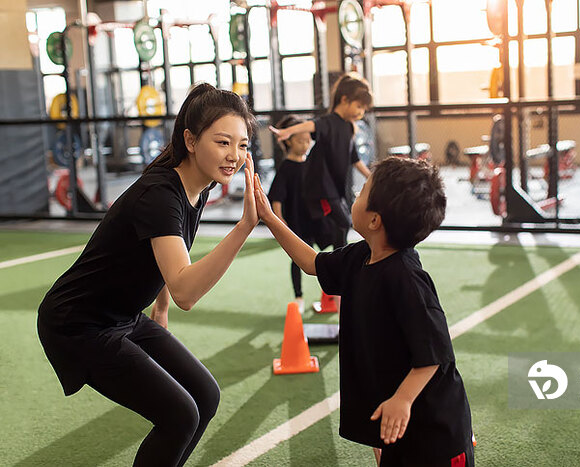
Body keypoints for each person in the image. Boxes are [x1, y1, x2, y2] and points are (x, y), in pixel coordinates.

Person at [37, 83, 258, 467]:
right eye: (223, 143)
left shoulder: (198, 185)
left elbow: (169, 252)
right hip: (77, 323)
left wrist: (161, 310)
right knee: (180, 415)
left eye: (242, 145)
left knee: (205, 396)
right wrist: (243, 228)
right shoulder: (160, 194)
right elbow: (187, 289)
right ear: (190, 140)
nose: (234, 157)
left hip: (122, 317)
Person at [253, 157, 475, 467]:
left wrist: (403, 400)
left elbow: (436, 355)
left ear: (375, 221)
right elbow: (312, 263)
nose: (354, 194)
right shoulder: (362, 256)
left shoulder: (407, 279)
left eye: (362, 192)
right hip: (398, 425)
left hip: (435, 432)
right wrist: (269, 217)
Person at [269, 73, 373, 250]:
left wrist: (372, 177)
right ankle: (340, 259)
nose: (361, 112)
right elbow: (311, 125)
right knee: (344, 222)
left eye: (364, 109)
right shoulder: (330, 122)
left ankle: (338, 257)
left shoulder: (349, 128)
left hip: (335, 189)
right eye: (358, 106)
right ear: (344, 99)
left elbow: (355, 159)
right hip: (322, 189)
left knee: (340, 226)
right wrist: (288, 131)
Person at [267, 115, 318, 310]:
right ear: (288, 141)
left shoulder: (311, 164)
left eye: (307, 141)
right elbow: (276, 199)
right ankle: (299, 296)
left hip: (315, 219)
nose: (305, 145)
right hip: (297, 222)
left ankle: (330, 294)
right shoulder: (286, 168)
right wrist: (280, 223)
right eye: (300, 141)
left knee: (324, 254)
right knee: (298, 260)